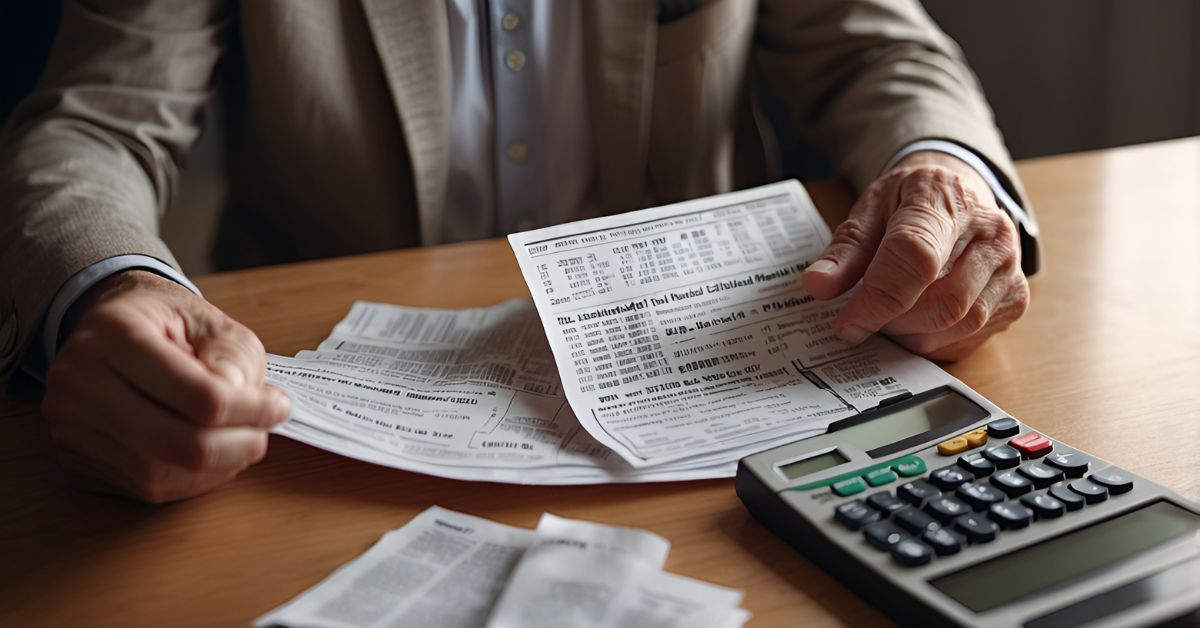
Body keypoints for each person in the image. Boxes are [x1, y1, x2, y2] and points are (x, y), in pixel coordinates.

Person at [0, 0, 1037, 502]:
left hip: (715, 414)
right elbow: (96, 122)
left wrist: (944, 176)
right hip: (321, 432)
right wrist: (112, 286)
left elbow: (878, 47)